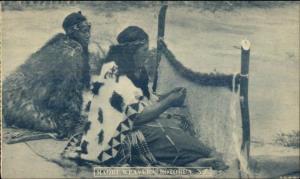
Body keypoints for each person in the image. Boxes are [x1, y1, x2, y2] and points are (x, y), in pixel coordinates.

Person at [103, 26, 228, 169]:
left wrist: (167, 97)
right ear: (131, 52)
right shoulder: (117, 75)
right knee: (165, 131)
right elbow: (136, 117)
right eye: (144, 50)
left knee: (180, 120)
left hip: (134, 124)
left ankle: (191, 161)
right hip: (120, 136)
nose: (148, 54)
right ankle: (206, 154)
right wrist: (169, 101)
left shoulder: (138, 70)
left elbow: (144, 100)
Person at [3, 11, 96, 138]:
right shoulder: (71, 53)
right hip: (25, 110)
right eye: (84, 31)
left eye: (88, 30)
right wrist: (68, 126)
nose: (88, 35)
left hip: (11, 105)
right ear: (73, 32)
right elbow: (67, 93)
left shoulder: (59, 43)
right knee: (66, 124)